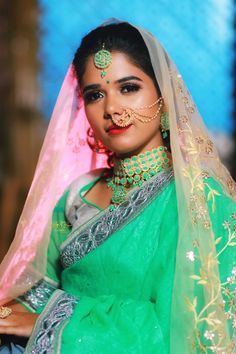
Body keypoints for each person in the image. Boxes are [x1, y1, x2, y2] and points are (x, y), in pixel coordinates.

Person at [0, 19, 235, 354]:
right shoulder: (75, 196)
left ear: (164, 96)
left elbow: (185, 328)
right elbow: (34, 295)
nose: (112, 110)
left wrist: (54, 323)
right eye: (95, 95)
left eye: (129, 88)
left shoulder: (200, 201)